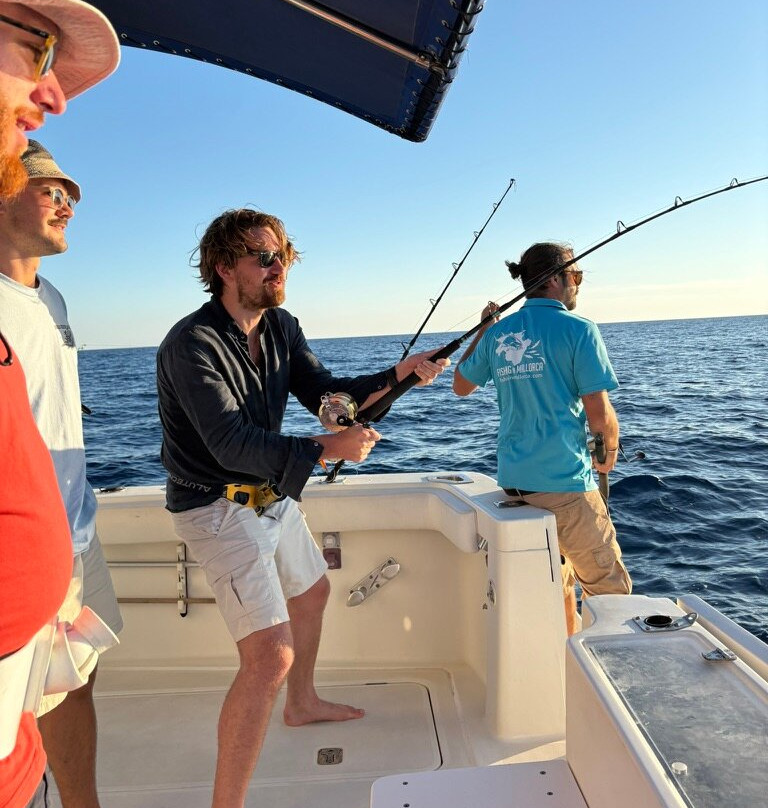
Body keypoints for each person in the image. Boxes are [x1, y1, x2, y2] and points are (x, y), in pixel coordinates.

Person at [156, 207, 449, 808]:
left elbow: (324, 391)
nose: (279, 268)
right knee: (270, 656)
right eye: (265, 258)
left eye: (284, 257)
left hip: (268, 493)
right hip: (215, 504)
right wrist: (325, 447)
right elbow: (229, 443)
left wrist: (399, 375)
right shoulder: (191, 345)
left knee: (312, 591)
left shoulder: (281, 326)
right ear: (224, 267)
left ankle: (303, 703)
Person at [0, 4, 118, 807]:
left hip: (75, 533)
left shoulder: (56, 302)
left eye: (71, 193)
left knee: (74, 685)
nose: (66, 202)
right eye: (49, 187)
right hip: (25, 567)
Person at [453, 242, 631, 635]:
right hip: (566, 485)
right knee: (611, 593)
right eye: (575, 275)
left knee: (558, 585)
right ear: (554, 279)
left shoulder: (499, 334)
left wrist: (484, 331)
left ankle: (565, 657)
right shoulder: (580, 329)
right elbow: (599, 413)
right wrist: (606, 453)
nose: (577, 284)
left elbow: (461, 384)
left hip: (516, 485)